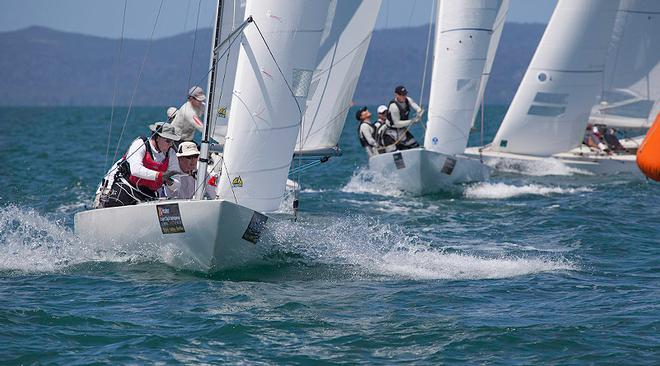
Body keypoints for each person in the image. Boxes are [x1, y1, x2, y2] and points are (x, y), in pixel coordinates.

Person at [97, 122, 182, 208]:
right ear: (157, 138)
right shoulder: (141, 144)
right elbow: (135, 170)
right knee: (113, 203)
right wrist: (160, 175)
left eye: (172, 141)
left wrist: (169, 180)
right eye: (168, 141)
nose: (171, 144)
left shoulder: (171, 154)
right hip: (125, 184)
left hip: (147, 192)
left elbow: (177, 185)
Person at [387, 85, 423, 150]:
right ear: (396, 95)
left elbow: (418, 108)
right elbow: (397, 123)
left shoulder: (408, 100)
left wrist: (419, 112)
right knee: (395, 149)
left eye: (405, 94)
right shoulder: (394, 107)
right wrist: (412, 121)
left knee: (415, 145)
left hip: (402, 129)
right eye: (401, 95)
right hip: (392, 131)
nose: (404, 96)